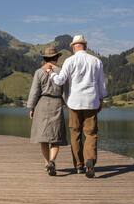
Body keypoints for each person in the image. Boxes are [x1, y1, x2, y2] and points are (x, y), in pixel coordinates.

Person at [44, 35, 107, 178]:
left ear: (73, 47)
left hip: (74, 103)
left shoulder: (70, 61)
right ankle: (90, 160)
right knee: (91, 134)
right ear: (85, 46)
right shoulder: (96, 61)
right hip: (92, 102)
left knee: (75, 134)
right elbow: (101, 85)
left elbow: (60, 81)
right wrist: (101, 99)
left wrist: (50, 72)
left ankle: (79, 166)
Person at [27, 47, 68, 176]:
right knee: (56, 138)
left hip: (42, 104)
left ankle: (46, 163)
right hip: (57, 104)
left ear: (45, 58)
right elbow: (66, 91)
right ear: (56, 58)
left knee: (43, 138)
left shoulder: (39, 72)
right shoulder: (61, 71)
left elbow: (34, 92)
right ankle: (52, 161)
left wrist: (31, 107)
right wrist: (68, 104)